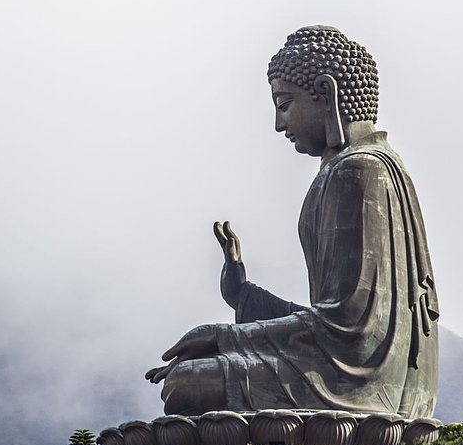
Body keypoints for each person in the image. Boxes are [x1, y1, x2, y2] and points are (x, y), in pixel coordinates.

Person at [146, 26, 439, 419]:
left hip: (359, 387)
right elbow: (336, 320)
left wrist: (225, 337)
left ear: (327, 93)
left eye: (284, 105)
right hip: (355, 375)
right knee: (191, 378)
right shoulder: (370, 167)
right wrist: (243, 295)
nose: (279, 124)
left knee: (186, 384)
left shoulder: (358, 171)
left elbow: (349, 331)